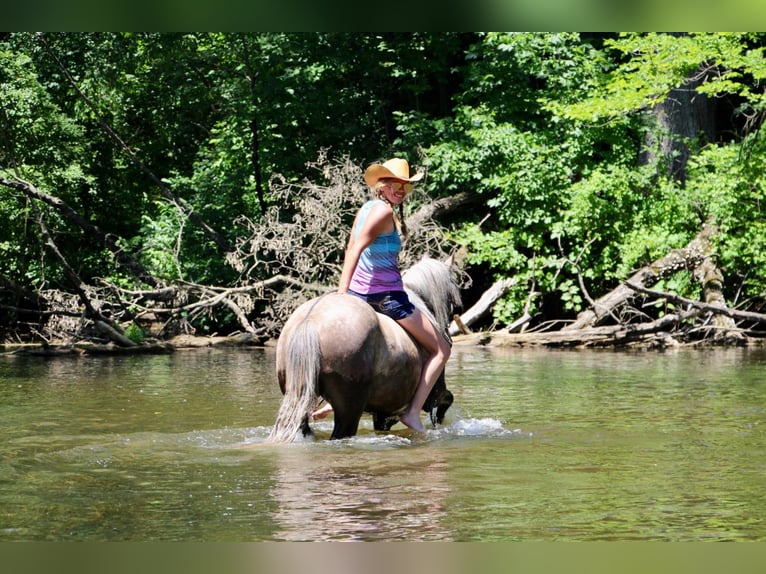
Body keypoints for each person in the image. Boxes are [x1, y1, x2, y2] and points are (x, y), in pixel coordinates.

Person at [311, 158, 451, 432]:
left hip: (361, 293)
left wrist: (348, 293)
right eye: (395, 184)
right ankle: (411, 413)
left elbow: (351, 244)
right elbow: (355, 249)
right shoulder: (384, 212)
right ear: (382, 185)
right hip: (386, 297)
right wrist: (342, 294)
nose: (401, 190)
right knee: (442, 349)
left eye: (405, 186)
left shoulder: (366, 209)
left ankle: (332, 402)